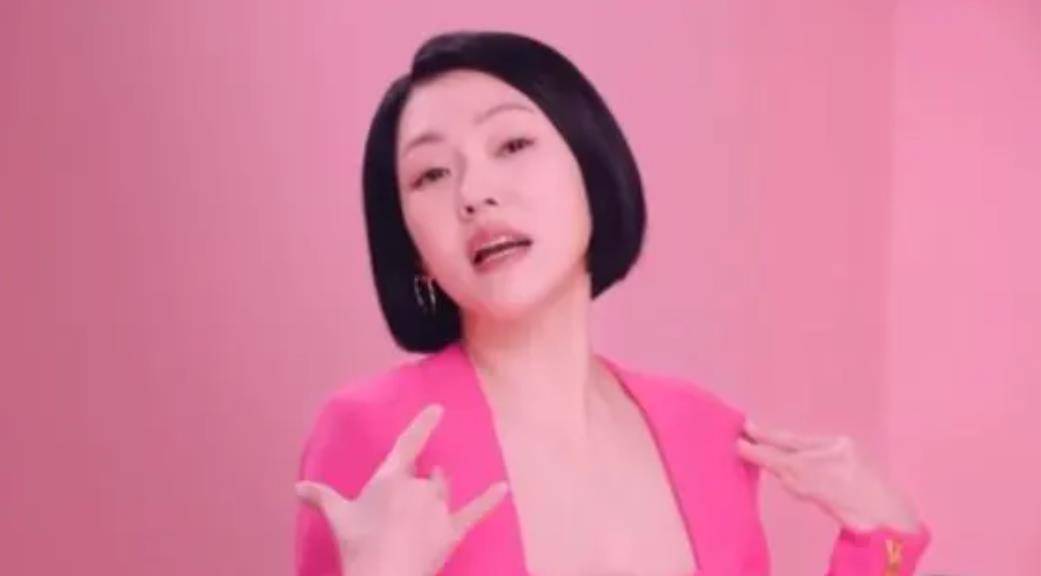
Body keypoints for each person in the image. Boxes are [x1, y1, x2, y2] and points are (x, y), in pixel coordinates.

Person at [293, 30, 931, 576]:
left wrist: (884, 540)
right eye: (431, 174)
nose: (474, 192)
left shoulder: (709, 435)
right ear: (413, 248)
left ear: (590, 168)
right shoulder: (376, 434)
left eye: (511, 145)